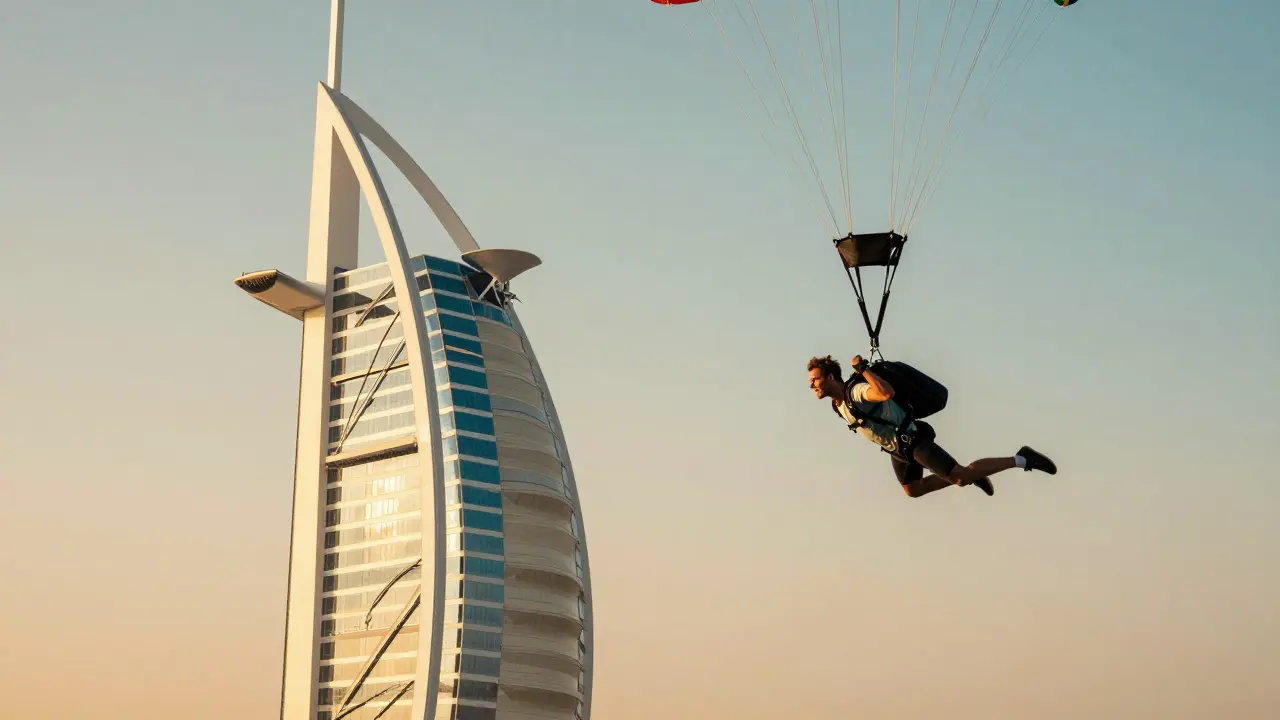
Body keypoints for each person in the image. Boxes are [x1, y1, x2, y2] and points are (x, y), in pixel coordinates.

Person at [806, 354, 1057, 498]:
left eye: (815, 379)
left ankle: (1021, 458)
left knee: (960, 477)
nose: (811, 385)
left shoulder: (855, 392)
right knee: (913, 490)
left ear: (830, 377)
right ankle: (974, 475)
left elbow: (885, 393)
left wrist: (863, 370)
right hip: (898, 450)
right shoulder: (837, 405)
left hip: (911, 440)